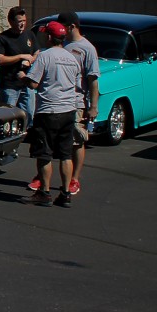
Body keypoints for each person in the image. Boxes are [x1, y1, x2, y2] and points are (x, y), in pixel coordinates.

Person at [18, 21, 82, 208]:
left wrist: (23, 76)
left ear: (48, 37)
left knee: (44, 153)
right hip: (68, 110)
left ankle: (44, 192)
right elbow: (76, 84)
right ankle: (65, 193)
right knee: (65, 154)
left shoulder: (45, 57)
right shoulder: (72, 58)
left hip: (48, 111)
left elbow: (34, 84)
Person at [58, 11, 99, 196]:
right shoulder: (62, 43)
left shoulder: (87, 48)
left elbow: (93, 80)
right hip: (58, 100)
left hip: (76, 101)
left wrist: (93, 106)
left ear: (72, 26)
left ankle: (75, 179)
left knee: (77, 140)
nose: (60, 31)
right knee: (57, 140)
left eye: (63, 27)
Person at [0, 6, 39, 127]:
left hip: (27, 83)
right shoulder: (2, 38)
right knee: (7, 116)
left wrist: (30, 60)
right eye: (19, 21)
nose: (22, 24)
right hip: (10, 85)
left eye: (24, 21)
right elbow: (0, 60)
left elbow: (36, 52)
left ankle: (25, 135)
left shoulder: (30, 35)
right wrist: (20, 57)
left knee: (29, 114)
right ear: (11, 21)